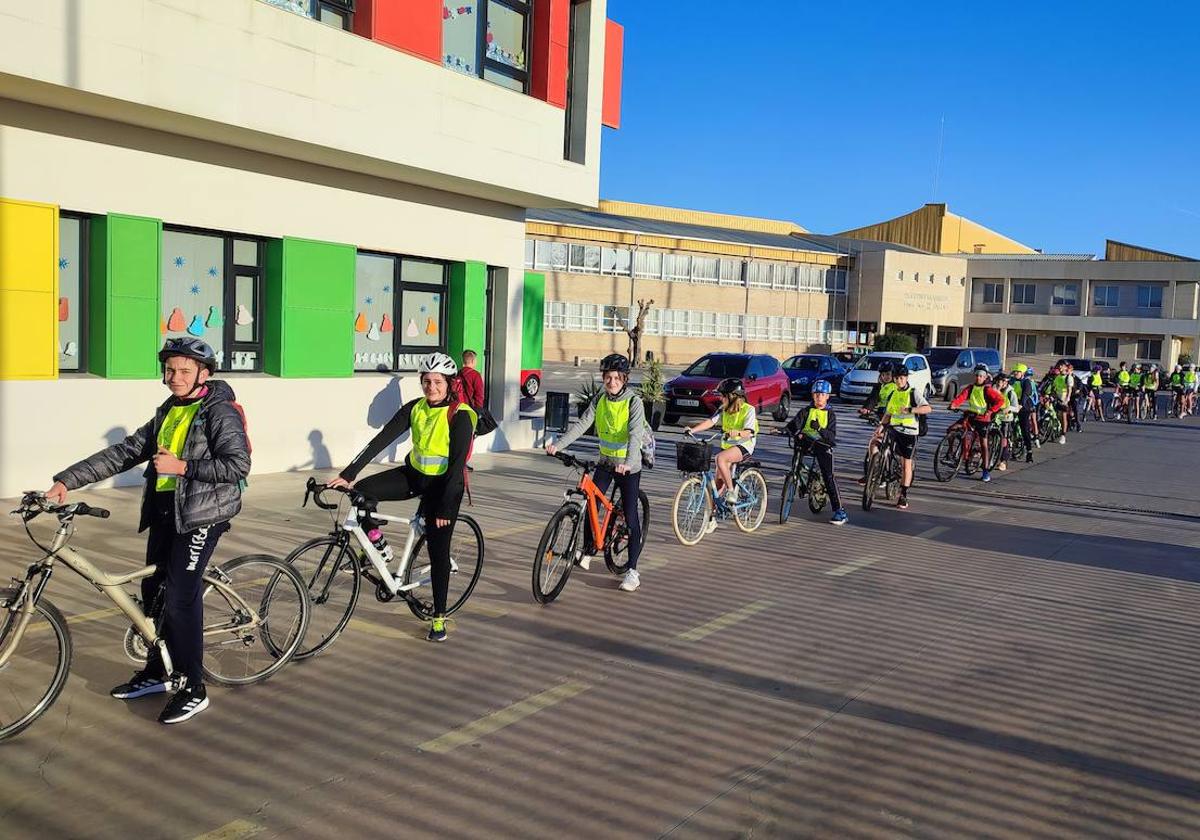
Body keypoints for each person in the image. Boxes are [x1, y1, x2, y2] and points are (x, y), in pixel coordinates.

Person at [45, 338, 250, 725]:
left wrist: (184, 467)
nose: (174, 377)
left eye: (184, 371)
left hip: (202, 515)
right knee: (153, 594)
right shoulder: (169, 410)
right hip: (165, 512)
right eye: (170, 370)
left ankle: (193, 686)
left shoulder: (219, 412)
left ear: (204, 375)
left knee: (179, 596)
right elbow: (124, 452)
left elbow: (237, 465)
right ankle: (157, 672)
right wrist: (66, 481)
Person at [330, 352, 476, 642]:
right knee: (361, 492)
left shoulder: (461, 416)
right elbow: (381, 440)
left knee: (438, 551)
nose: (431, 387)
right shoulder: (415, 408)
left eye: (437, 382)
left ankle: (438, 617)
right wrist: (349, 474)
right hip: (414, 475)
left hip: (444, 487)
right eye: (426, 381)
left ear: (449, 384)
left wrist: (446, 506)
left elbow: (457, 466)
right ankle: (379, 545)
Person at [545, 353, 648, 592]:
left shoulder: (634, 403)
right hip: (605, 462)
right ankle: (590, 549)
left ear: (624, 379)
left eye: (616, 378)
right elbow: (582, 424)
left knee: (630, 516)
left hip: (627, 466)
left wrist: (629, 462)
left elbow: (635, 436)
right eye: (608, 378)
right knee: (592, 502)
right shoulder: (600, 399)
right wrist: (558, 446)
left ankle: (632, 570)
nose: (611, 382)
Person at [686, 377, 758, 508]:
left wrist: (738, 432)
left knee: (720, 458)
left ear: (733, 396)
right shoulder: (723, 409)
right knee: (717, 484)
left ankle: (731, 492)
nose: (720, 398)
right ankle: (712, 517)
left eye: (723, 396)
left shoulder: (749, 410)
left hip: (744, 445)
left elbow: (749, 432)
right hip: (728, 446)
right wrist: (693, 430)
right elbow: (711, 421)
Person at [784, 379, 848, 525]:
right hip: (806, 443)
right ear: (812, 395)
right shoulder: (805, 411)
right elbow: (794, 425)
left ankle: (839, 511)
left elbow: (831, 436)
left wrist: (819, 428)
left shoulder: (830, 414)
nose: (819, 397)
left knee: (828, 476)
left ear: (827, 396)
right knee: (797, 453)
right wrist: (785, 430)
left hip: (823, 445)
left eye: (822, 394)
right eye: (816, 394)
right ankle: (797, 479)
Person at [879, 363, 931, 509]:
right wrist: (881, 426)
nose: (899, 381)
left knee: (905, 464)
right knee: (880, 445)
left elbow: (928, 408)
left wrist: (911, 409)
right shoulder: (893, 393)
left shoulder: (913, 392)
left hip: (909, 432)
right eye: (896, 378)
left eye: (901, 378)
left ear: (906, 378)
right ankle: (880, 473)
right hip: (894, 429)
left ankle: (903, 495)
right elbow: (888, 413)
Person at [949, 364, 1005, 482]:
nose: (978, 378)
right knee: (952, 429)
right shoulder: (970, 388)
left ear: (985, 378)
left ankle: (985, 470)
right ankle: (951, 453)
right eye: (976, 375)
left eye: (981, 376)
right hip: (970, 415)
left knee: (984, 444)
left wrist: (990, 411)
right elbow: (961, 397)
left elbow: (1000, 401)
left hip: (982, 419)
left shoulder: (987, 390)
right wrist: (954, 404)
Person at [857, 361, 895, 485]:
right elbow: (872, 399)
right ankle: (871, 472)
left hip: (894, 419)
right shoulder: (879, 387)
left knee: (890, 447)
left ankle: (886, 475)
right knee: (874, 444)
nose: (886, 377)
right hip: (881, 417)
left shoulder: (896, 387)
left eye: (888, 374)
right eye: (883, 375)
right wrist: (866, 409)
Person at [993, 371, 1019, 471]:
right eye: (1000, 381)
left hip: (1006, 418)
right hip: (995, 417)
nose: (1002, 384)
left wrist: (1008, 408)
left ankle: (1003, 461)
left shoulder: (1011, 392)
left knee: (1004, 439)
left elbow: (1016, 408)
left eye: (1005, 382)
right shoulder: (993, 390)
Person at [1012, 364, 1036, 462]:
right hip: (1013, 405)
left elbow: (1026, 393)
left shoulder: (1026, 382)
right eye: (1014, 372)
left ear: (1022, 373)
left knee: (1024, 429)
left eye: (1017, 372)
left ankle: (1029, 452)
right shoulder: (1012, 381)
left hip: (1024, 407)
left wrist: (1021, 404)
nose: (1015, 373)